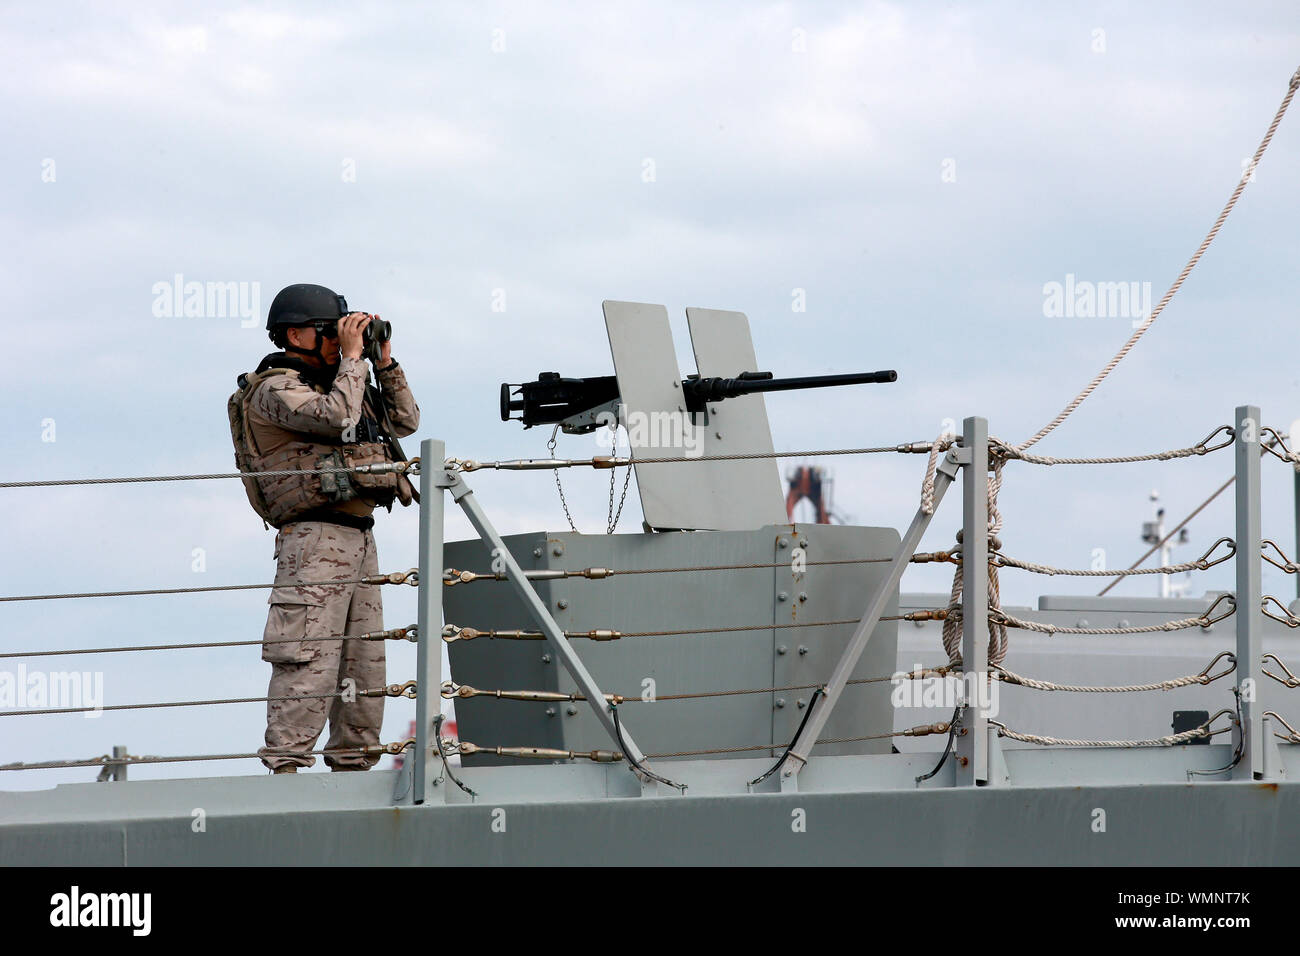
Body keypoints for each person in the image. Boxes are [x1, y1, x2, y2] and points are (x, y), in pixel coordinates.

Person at [227, 283, 420, 773]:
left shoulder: (347, 381)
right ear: (294, 334)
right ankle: (288, 772)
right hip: (312, 540)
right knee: (307, 660)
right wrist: (353, 358)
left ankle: (354, 771)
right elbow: (336, 418)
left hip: (359, 536)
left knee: (364, 663)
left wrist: (383, 362)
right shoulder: (273, 389)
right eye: (328, 332)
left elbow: (406, 421)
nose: (339, 340)